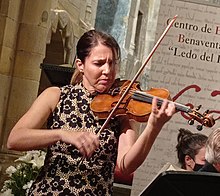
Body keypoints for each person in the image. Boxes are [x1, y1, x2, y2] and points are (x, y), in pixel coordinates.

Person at [7, 29, 176, 195]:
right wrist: (62, 134)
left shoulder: (122, 109)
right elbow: (15, 139)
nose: (107, 71)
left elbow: (126, 166)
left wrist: (154, 126)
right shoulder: (56, 96)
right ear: (80, 64)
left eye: (112, 63)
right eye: (99, 63)